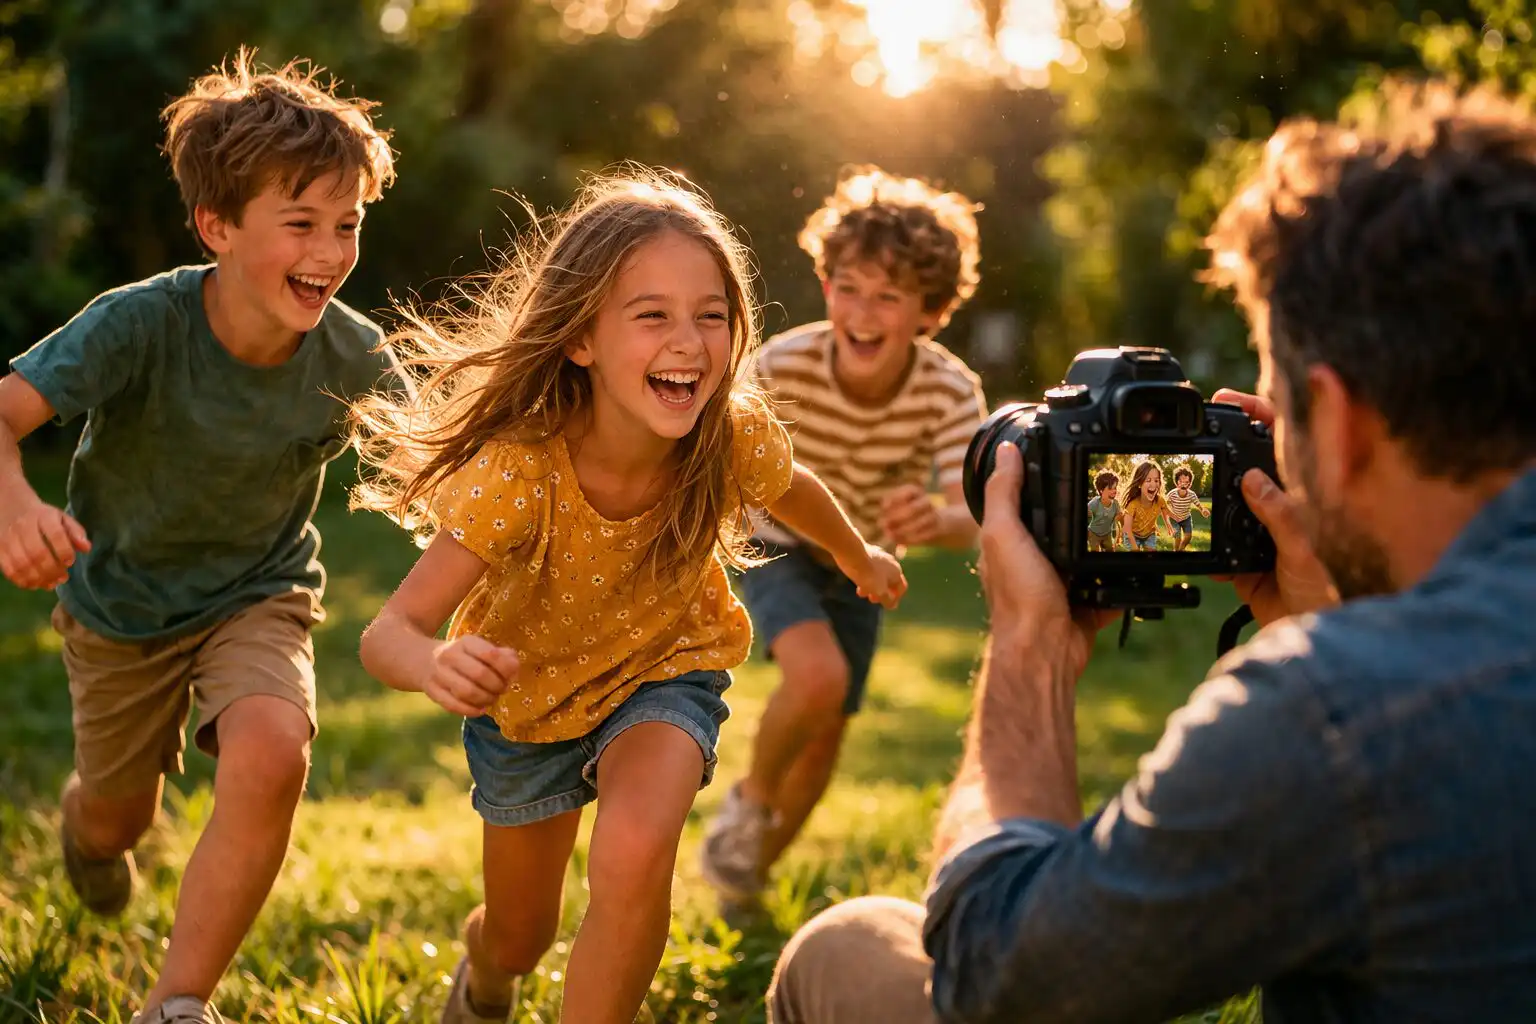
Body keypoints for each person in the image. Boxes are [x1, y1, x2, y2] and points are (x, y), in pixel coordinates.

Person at [768, 78, 1536, 1023]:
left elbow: (1004, 979)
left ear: (1336, 424)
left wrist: (1029, 651)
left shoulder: (1330, 717)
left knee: (844, 950)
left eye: (1278, 410)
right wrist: (1326, 619)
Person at [349, 169, 906, 1024]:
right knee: (519, 935)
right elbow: (389, 631)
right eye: (652, 316)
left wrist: (855, 551)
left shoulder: (729, 434)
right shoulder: (519, 471)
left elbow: (793, 488)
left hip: (663, 671)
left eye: (710, 315)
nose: (688, 341)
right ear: (581, 340)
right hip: (526, 705)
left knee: (637, 851)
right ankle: (487, 980)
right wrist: (432, 661)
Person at [0, 51, 396, 1024]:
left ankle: (177, 1004)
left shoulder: (353, 352)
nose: (330, 249)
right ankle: (90, 834)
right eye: (299, 223)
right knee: (116, 814)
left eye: (346, 224)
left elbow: (438, 452)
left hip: (257, 590)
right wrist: (15, 506)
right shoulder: (139, 324)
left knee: (273, 749)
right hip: (120, 604)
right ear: (217, 226)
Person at [700, 165, 987, 904]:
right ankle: (749, 804)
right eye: (849, 287)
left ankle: (748, 874)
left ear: (929, 311)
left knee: (828, 732)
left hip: (865, 559)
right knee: (818, 676)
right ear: (826, 285)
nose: (862, 311)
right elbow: (723, 462)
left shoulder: (949, 390)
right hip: (777, 539)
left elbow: (969, 514)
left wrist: (937, 519)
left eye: (888, 297)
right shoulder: (781, 365)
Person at [1119, 460, 1173, 551]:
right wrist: (1135, 548)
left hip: (1149, 534)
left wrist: (1168, 523)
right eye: (1148, 480)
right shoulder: (1132, 505)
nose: (1153, 484)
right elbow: (1127, 529)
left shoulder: (1159, 500)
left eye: (1156, 480)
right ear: (1139, 483)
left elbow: (1165, 509)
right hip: (1132, 534)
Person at [1166, 464, 1210, 552]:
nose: (1183, 484)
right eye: (1180, 481)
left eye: (1186, 482)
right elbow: (1165, 505)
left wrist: (1203, 510)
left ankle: (1181, 549)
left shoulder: (1191, 494)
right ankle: (1176, 550)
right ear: (1176, 481)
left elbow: (1198, 504)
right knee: (1177, 537)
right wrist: (1167, 517)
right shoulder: (1172, 494)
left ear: (1189, 484)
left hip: (1186, 518)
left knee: (1188, 536)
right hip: (1175, 519)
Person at [1085, 470, 1121, 552]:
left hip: (1107, 534)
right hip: (1093, 534)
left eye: (1115, 488)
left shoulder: (1115, 504)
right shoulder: (1095, 503)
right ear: (1101, 491)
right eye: (1110, 488)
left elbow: (1118, 519)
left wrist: (1118, 536)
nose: (1114, 491)